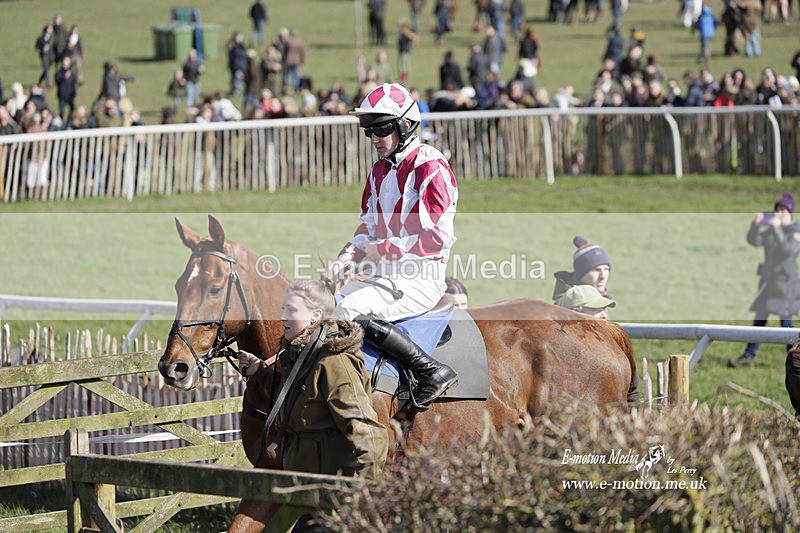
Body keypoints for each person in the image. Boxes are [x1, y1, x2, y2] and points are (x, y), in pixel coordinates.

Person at [329, 82, 459, 409]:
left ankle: (430, 372)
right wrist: (342, 263)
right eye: (367, 130)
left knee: (348, 310)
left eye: (381, 129)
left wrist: (384, 250)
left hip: (421, 278)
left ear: (404, 125)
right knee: (321, 304)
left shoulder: (431, 166)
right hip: (386, 277)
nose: (374, 138)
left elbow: (438, 238)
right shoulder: (378, 171)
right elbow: (366, 228)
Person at [236, 280, 388, 479]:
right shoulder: (303, 355)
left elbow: (369, 434)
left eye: (291, 310)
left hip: (330, 492)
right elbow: (298, 396)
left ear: (315, 316)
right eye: (283, 309)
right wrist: (260, 371)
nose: (282, 317)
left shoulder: (335, 361)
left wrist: (361, 492)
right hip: (303, 482)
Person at [730, 193, 800, 368]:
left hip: (786, 287)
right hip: (768, 285)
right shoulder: (770, 231)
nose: (779, 214)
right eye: (778, 210)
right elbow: (753, 240)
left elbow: (788, 250)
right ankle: (748, 356)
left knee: (787, 325)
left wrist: (777, 230)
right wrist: (756, 225)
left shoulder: (795, 232)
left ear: (790, 214)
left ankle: (794, 359)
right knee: (759, 322)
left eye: (784, 211)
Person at [552, 235, 612, 301]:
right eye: (597, 270)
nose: (603, 276)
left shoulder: (598, 300)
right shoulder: (571, 305)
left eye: (606, 269)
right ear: (580, 274)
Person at [54, 55, 77, 122]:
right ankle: (60, 125)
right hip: (62, 96)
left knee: (72, 111)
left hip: (70, 96)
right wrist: (64, 77)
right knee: (61, 112)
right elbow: (56, 80)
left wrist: (74, 93)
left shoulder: (72, 74)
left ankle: (69, 123)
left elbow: (73, 85)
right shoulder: (59, 73)